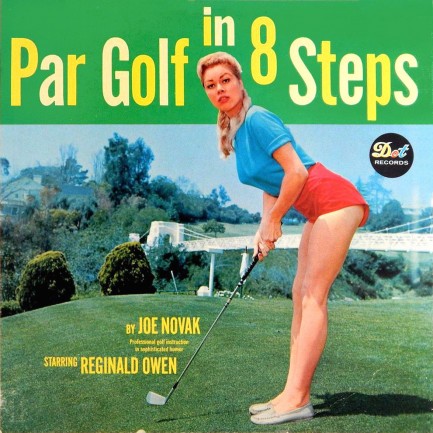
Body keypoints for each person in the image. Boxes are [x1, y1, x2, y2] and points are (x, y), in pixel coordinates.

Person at [196, 52, 369, 426]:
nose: (219, 89)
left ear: (239, 82)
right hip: (315, 210)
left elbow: (297, 173)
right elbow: (270, 181)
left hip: (334, 199)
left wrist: (276, 219)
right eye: (211, 85)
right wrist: (264, 226)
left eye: (225, 80)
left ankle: (298, 399)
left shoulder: (257, 119)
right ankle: (291, 391)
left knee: (313, 295)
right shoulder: (238, 132)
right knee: (299, 293)